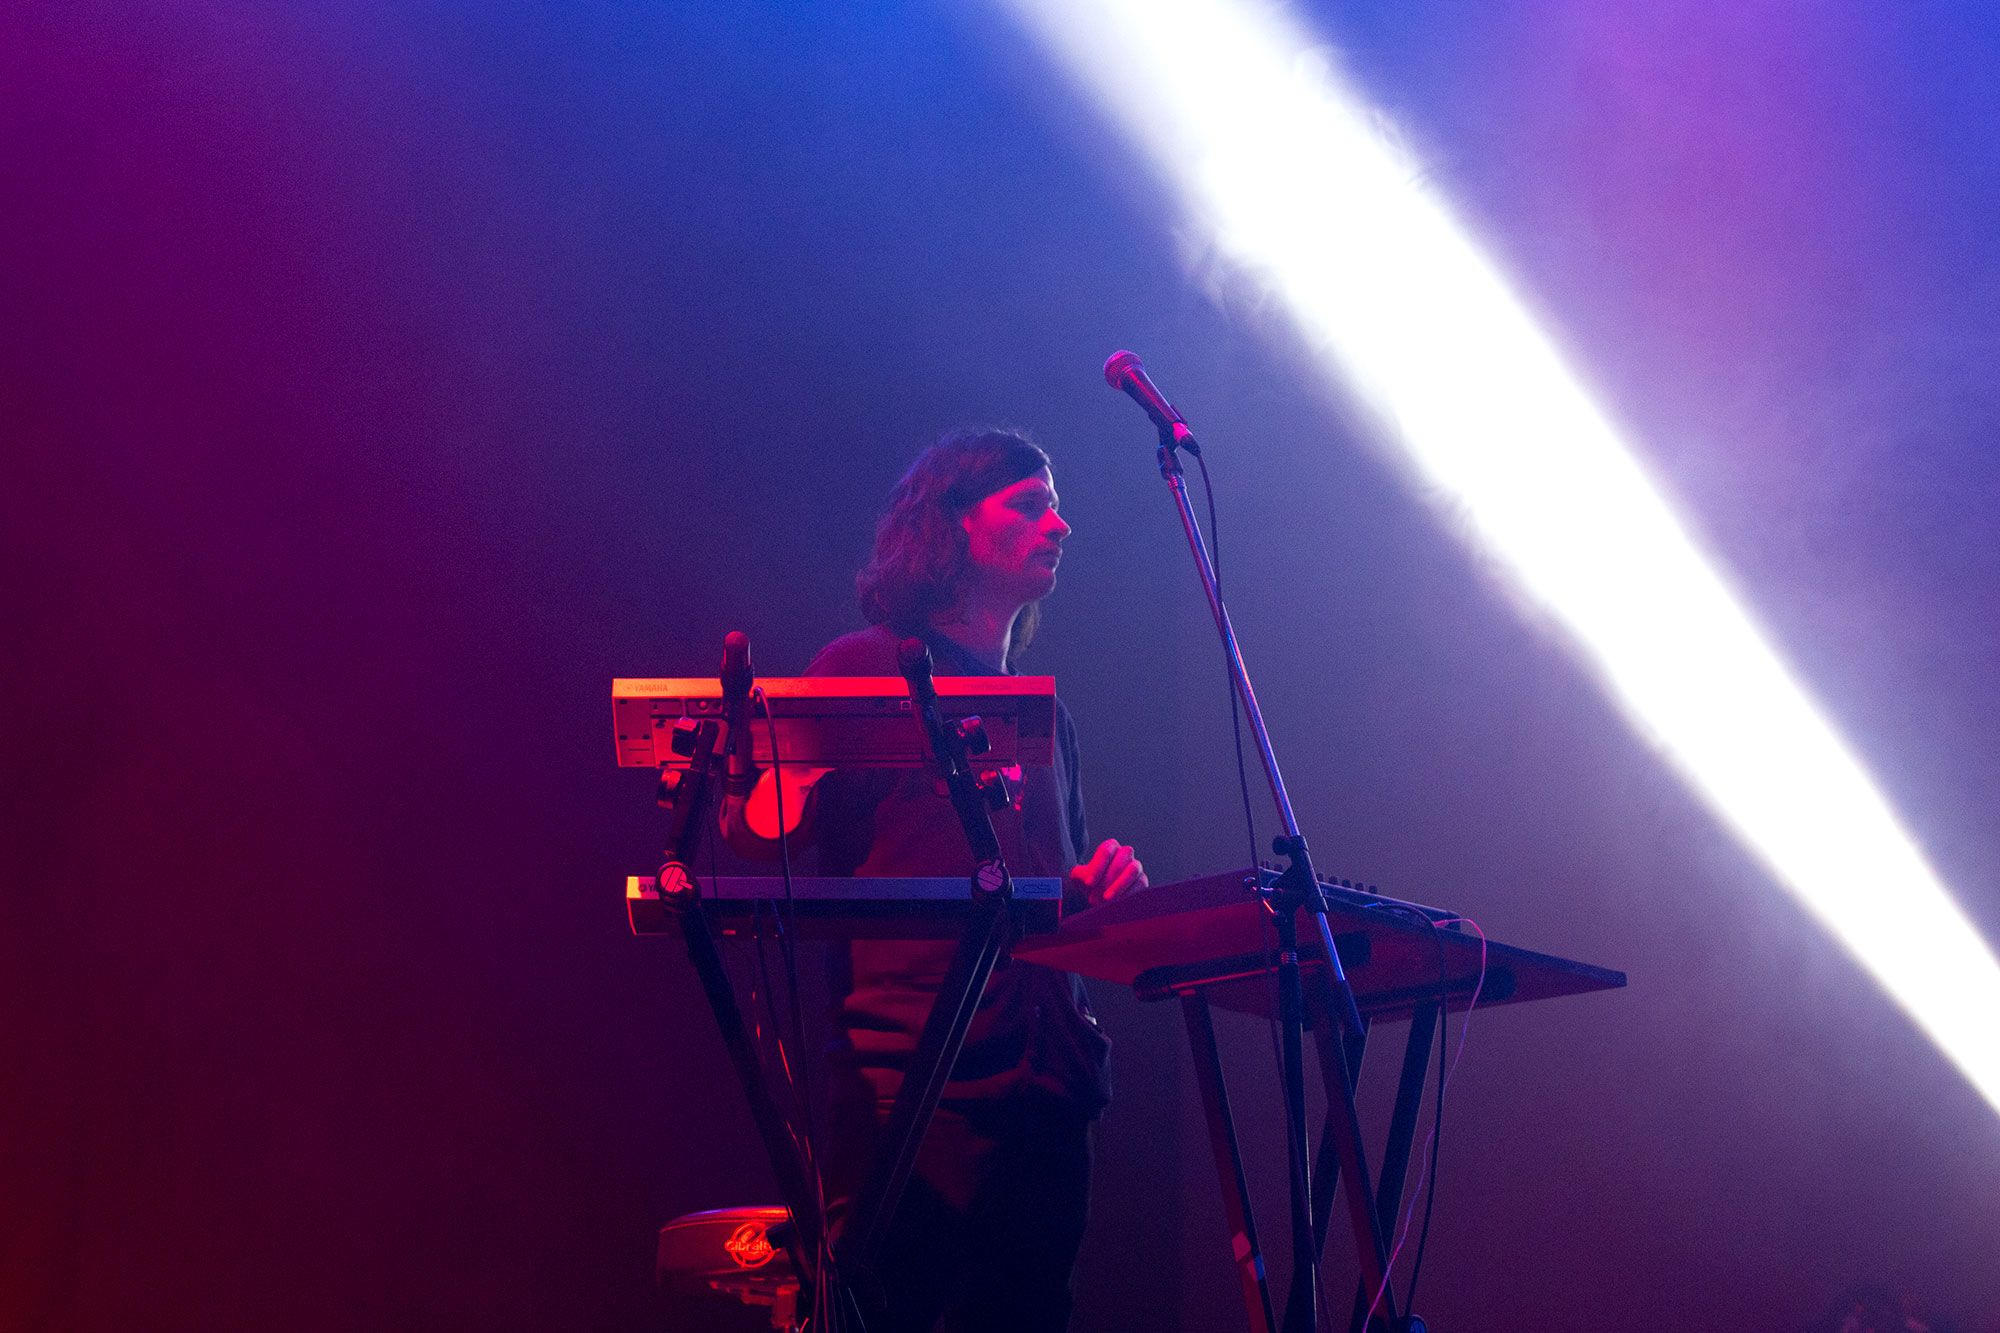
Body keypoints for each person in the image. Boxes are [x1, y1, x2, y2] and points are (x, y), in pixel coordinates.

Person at [725, 427, 1146, 1332]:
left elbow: (1039, 906)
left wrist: (1090, 895)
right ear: (953, 528)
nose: (1060, 524)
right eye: (1029, 505)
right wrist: (777, 766)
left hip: (1047, 1098)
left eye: (1056, 505)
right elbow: (761, 837)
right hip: (917, 1094)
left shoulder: (1048, 718)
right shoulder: (867, 667)